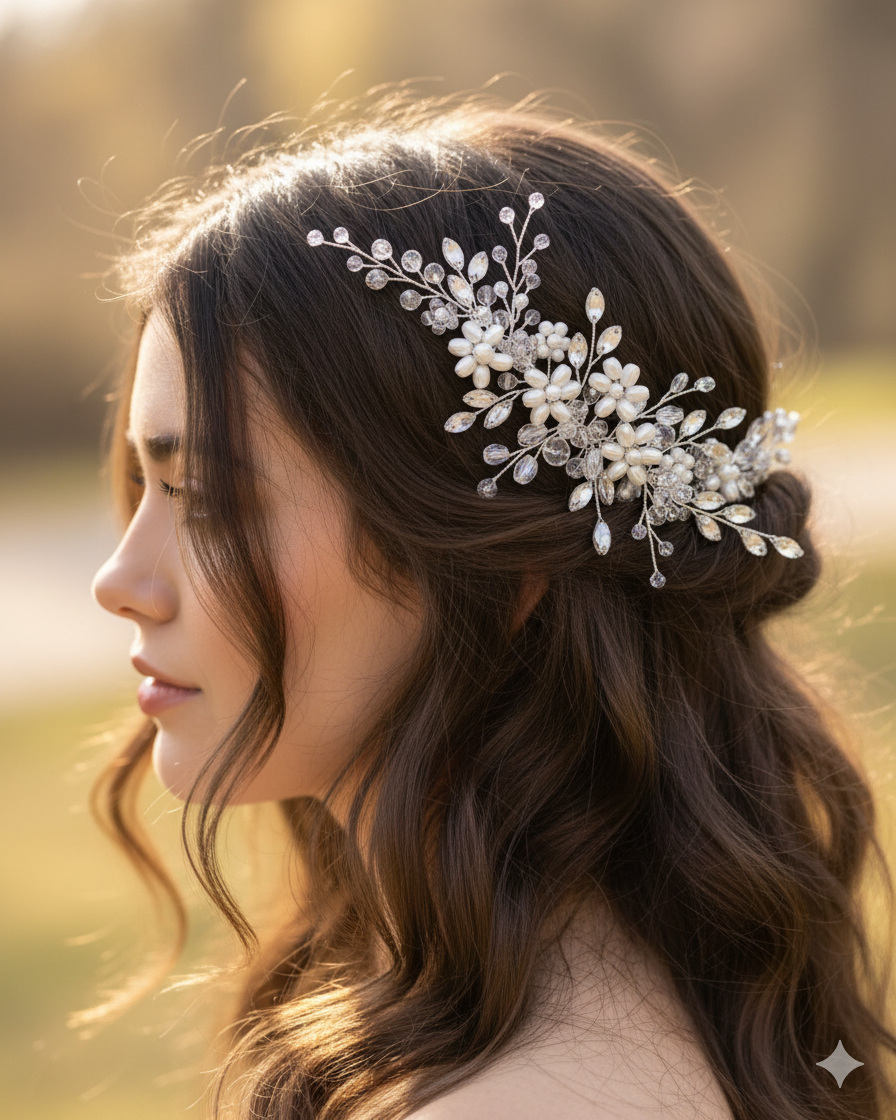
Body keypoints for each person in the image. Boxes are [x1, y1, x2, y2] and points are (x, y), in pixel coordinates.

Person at [88, 92, 896, 1119]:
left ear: (501, 564)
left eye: (208, 498)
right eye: (143, 481)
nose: (120, 580)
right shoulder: (644, 992)